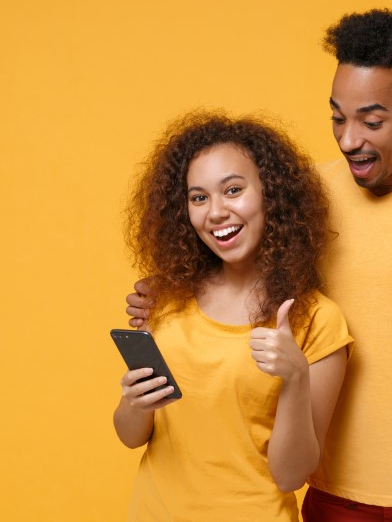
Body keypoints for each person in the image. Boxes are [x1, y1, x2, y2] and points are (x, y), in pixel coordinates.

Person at [126, 8, 392, 521]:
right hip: (332, 494)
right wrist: (168, 289)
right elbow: (238, 251)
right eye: (338, 117)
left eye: (372, 120)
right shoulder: (309, 195)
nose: (348, 139)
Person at [113, 111, 352, 521]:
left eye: (233, 190)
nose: (216, 211)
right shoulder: (166, 302)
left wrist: (295, 377)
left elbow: (291, 474)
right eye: (199, 197)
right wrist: (134, 403)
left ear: (271, 195)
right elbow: (131, 436)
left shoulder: (317, 320)